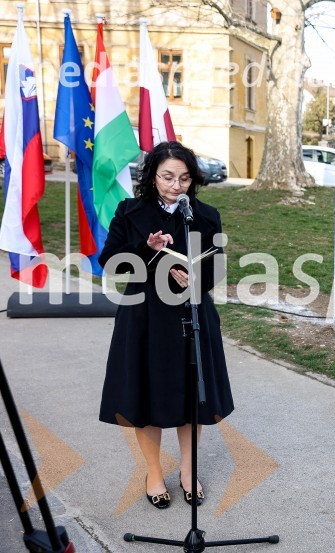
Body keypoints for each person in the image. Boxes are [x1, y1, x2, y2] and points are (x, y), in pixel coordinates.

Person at [98, 141, 234, 509]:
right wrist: (146, 248)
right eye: (168, 177)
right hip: (145, 317)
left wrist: (196, 279)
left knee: (194, 394)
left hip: (192, 315)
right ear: (153, 176)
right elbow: (110, 263)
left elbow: (216, 264)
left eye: (185, 178)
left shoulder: (205, 214)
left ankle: (189, 471)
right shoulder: (131, 212)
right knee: (148, 393)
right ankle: (154, 472)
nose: (177, 185)